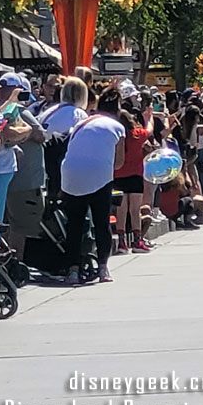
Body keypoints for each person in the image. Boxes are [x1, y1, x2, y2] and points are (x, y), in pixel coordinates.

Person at [61, 88, 126, 284]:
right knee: (101, 222)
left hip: (70, 173)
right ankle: (103, 268)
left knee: (74, 224)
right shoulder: (118, 127)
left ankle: (72, 270)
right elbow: (119, 162)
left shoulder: (80, 124)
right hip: (99, 174)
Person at [4, 77, 45, 261]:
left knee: (7, 223)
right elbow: (39, 135)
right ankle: (15, 262)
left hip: (8, 178)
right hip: (24, 181)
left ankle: (7, 261)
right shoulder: (20, 111)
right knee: (20, 226)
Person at [111, 109, 152, 254]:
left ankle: (122, 243)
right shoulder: (137, 135)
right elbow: (149, 131)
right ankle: (137, 241)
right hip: (135, 175)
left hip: (117, 175)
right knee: (135, 210)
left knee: (120, 210)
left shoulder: (115, 135)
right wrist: (148, 118)